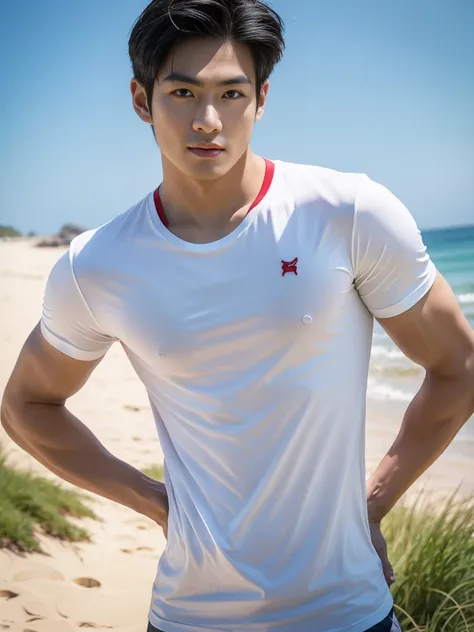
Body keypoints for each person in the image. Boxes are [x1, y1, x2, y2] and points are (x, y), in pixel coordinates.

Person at [2, 0, 473, 630]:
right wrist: (155, 504)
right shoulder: (99, 264)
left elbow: (458, 364)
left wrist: (371, 505)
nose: (207, 119)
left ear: (261, 98)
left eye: (231, 93)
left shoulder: (346, 212)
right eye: (182, 91)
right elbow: (26, 405)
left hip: (346, 612)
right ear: (142, 100)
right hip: (189, 615)